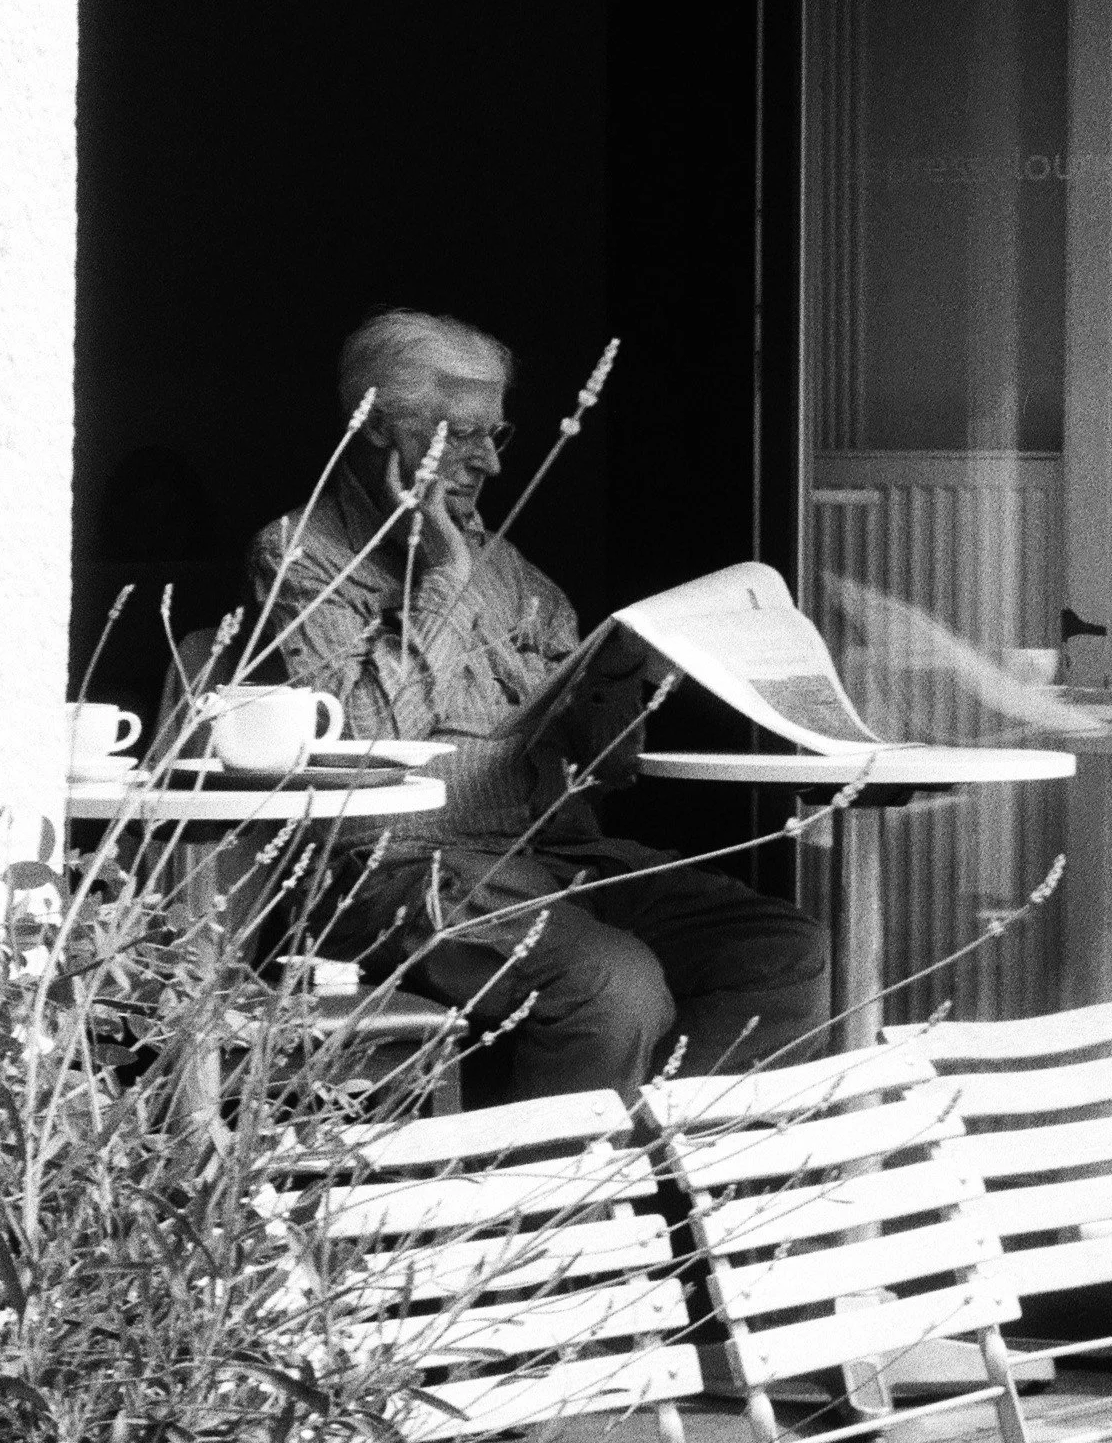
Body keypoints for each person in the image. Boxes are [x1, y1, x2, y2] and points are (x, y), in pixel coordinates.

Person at [248, 308, 829, 1099]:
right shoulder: (302, 554)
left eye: (496, 433)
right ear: (379, 427)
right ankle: (559, 1180)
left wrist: (631, 677)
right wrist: (446, 578)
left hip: (549, 859)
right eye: (460, 433)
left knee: (778, 950)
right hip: (393, 874)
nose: (488, 460)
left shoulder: (511, 569)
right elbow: (373, 739)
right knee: (612, 984)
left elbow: (605, 769)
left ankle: (659, 1162)